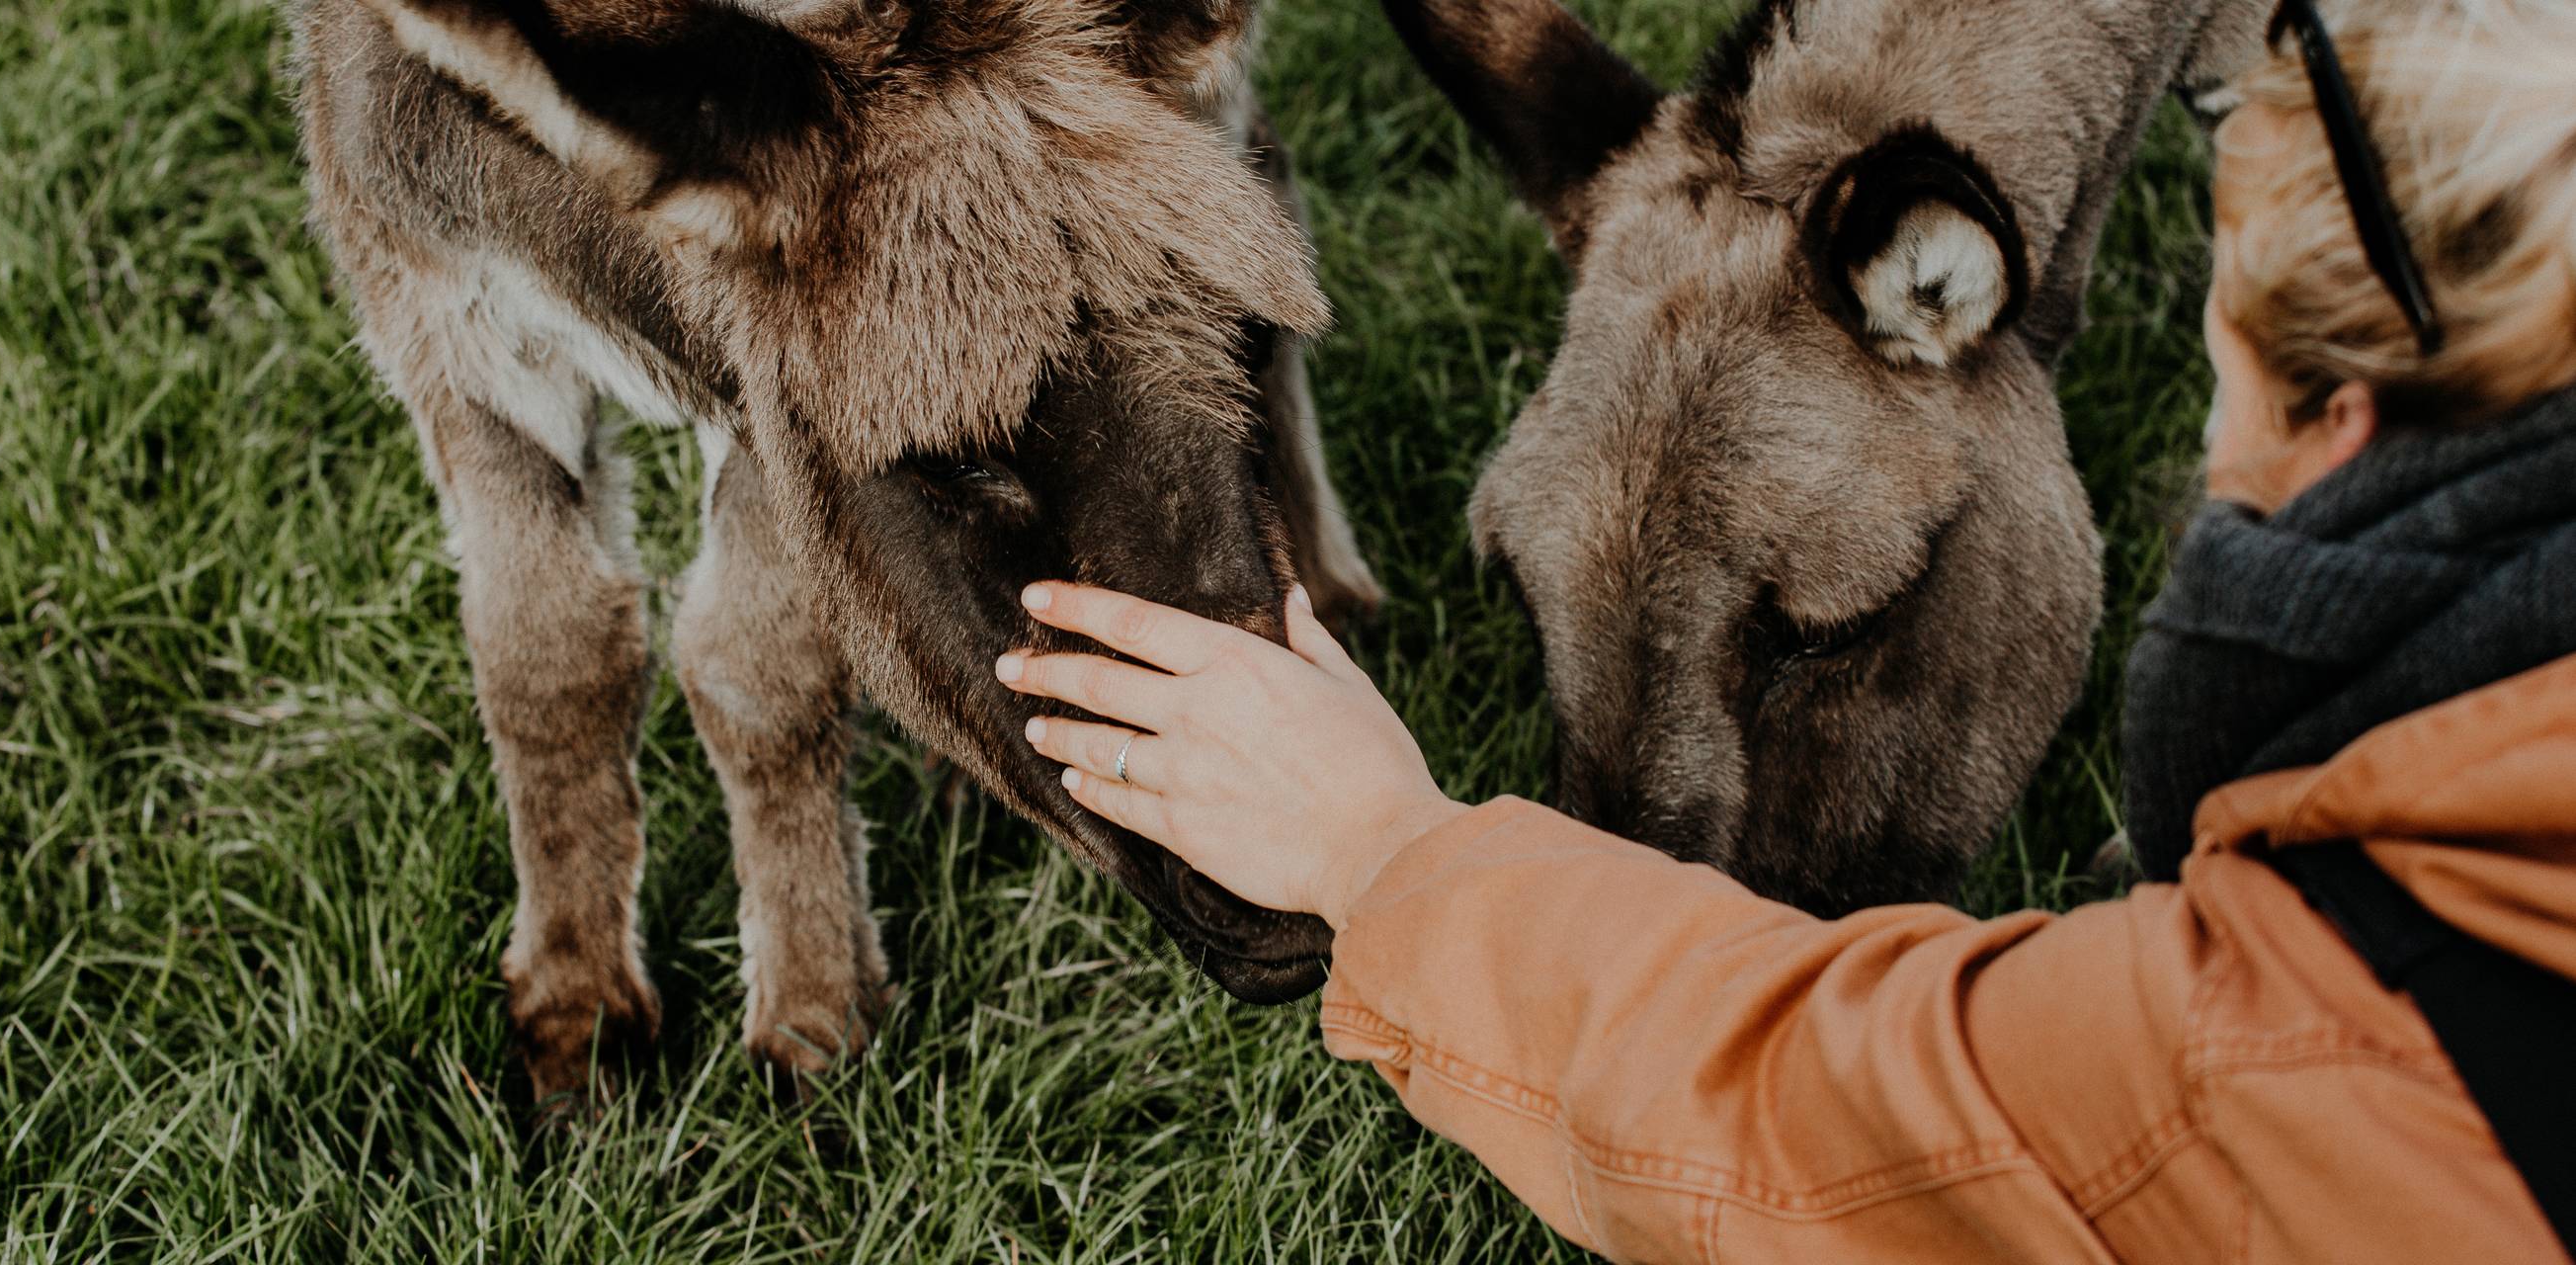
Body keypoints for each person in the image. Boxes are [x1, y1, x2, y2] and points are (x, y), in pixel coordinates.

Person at [990, 0, 2576, 1259]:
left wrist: (1377, 850)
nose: (2222, 465)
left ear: (2346, 419)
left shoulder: (2314, 1045)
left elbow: (1815, 1137)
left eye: (2235, 396)